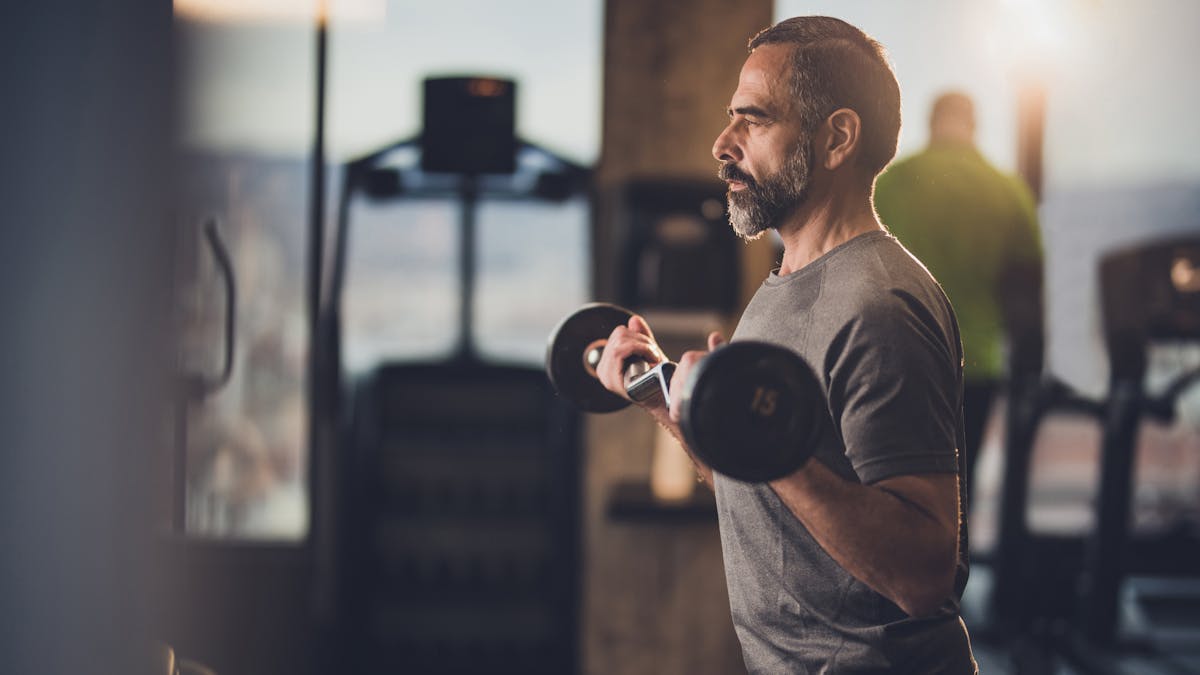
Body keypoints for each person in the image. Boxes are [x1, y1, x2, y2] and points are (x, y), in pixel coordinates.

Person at [595, 16, 977, 673]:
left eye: (755, 120)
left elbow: (924, 575)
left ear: (836, 139)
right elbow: (763, 488)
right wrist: (669, 402)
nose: (722, 143)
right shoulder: (784, 285)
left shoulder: (880, 306)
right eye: (731, 119)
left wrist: (757, 439)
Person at [874, 91, 1043, 504]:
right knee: (954, 496)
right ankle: (946, 568)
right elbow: (1026, 299)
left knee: (883, 492)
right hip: (973, 369)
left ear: (931, 123)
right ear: (974, 126)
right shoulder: (1009, 192)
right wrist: (1029, 379)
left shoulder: (890, 183)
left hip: (891, 362)